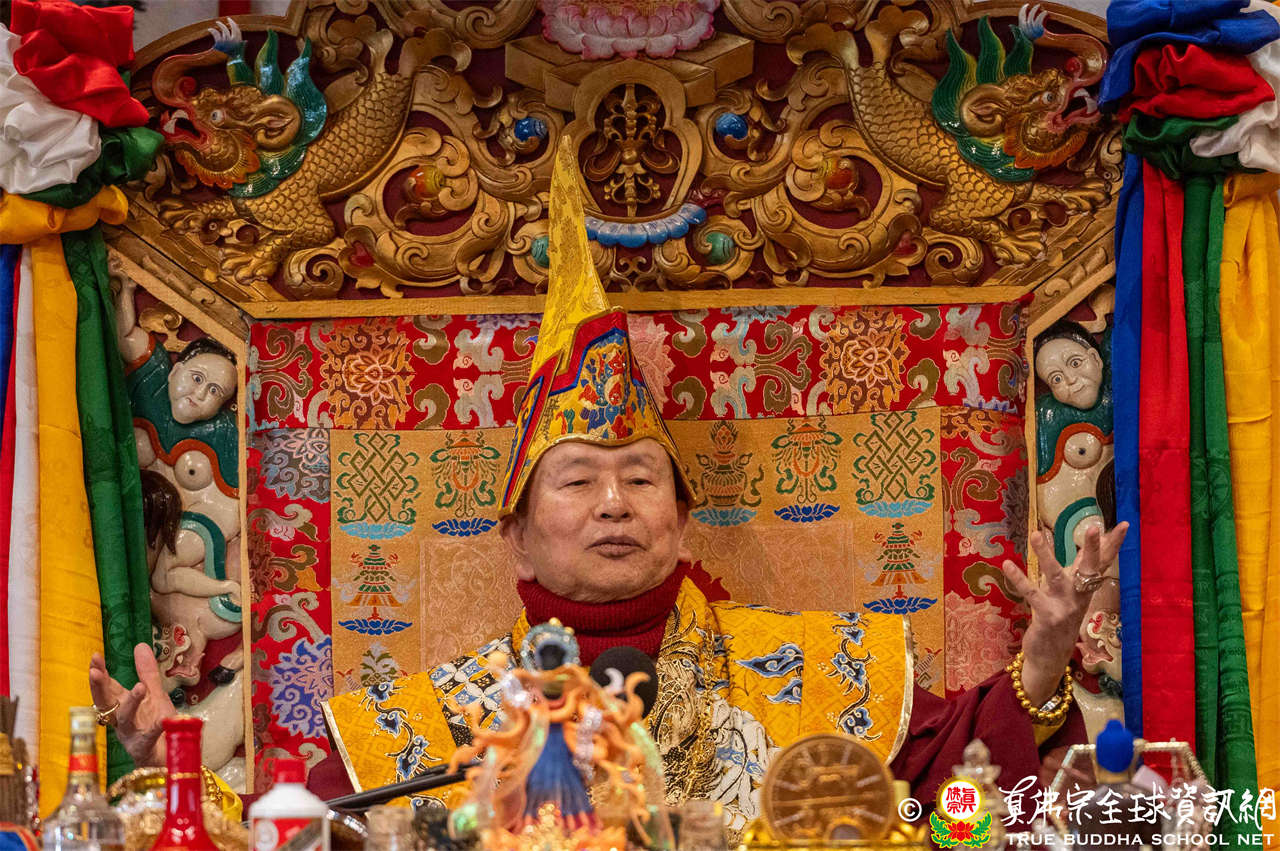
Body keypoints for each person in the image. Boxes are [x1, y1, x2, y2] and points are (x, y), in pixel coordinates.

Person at [90, 139, 1126, 828]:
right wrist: (153, 766)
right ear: (515, 533)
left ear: (682, 521)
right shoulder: (432, 723)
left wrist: (1043, 653)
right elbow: (289, 833)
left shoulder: (821, 668)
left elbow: (960, 791)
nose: (616, 501)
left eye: (640, 477)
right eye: (577, 479)